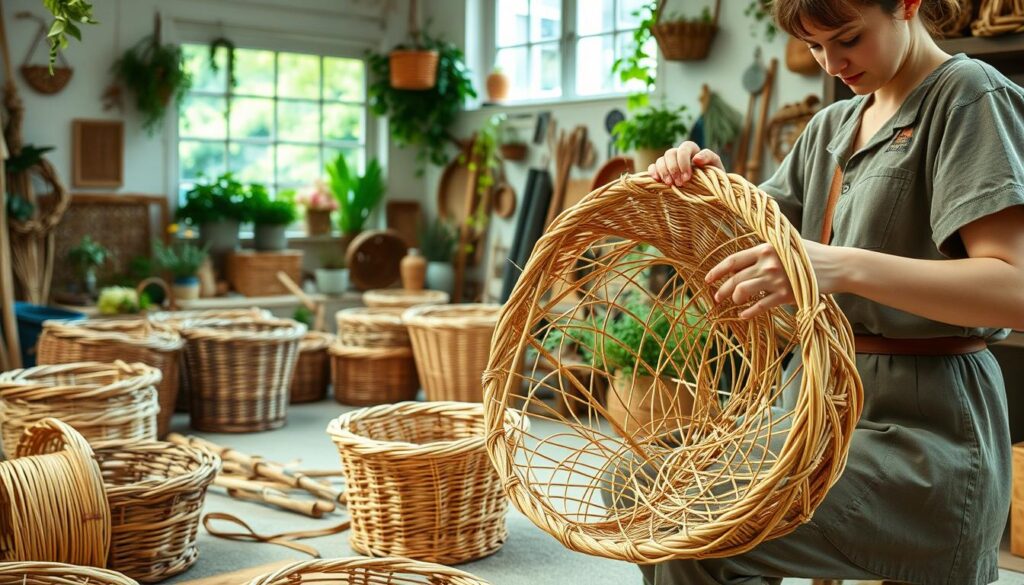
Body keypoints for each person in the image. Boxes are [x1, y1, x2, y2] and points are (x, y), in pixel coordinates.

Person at [639, 0, 1024, 583]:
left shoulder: (969, 96)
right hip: (811, 408)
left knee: (693, 525)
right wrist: (697, 187)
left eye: (847, 38)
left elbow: (1013, 289)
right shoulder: (831, 126)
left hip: (921, 435)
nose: (832, 63)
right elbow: (743, 241)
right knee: (644, 483)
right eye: (816, 47)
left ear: (907, 4)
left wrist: (839, 266)